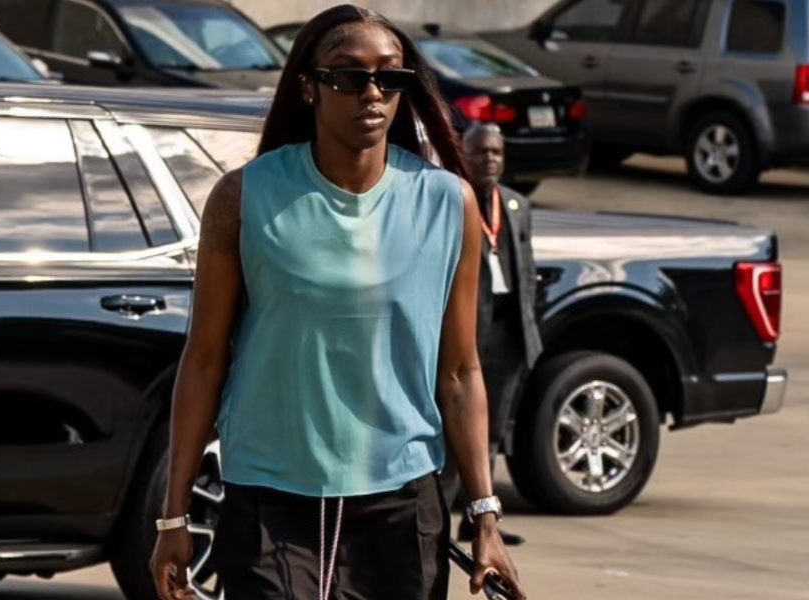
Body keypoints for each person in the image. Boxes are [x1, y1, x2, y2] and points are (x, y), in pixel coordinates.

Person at [148, 5, 526, 600]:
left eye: (390, 78)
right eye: (349, 76)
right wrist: (173, 518)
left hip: (401, 505)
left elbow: (459, 372)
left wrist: (485, 518)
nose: (372, 93)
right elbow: (203, 361)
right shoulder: (243, 199)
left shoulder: (448, 204)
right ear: (309, 87)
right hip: (270, 502)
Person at [454, 124, 543, 545]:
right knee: (460, 425)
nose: (489, 159)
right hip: (469, 334)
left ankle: (480, 522)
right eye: (481, 152)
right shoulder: (456, 202)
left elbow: (525, 268)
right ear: (464, 155)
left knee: (493, 430)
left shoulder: (516, 204)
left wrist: (531, 327)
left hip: (509, 331)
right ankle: (445, 511)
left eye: (496, 152)